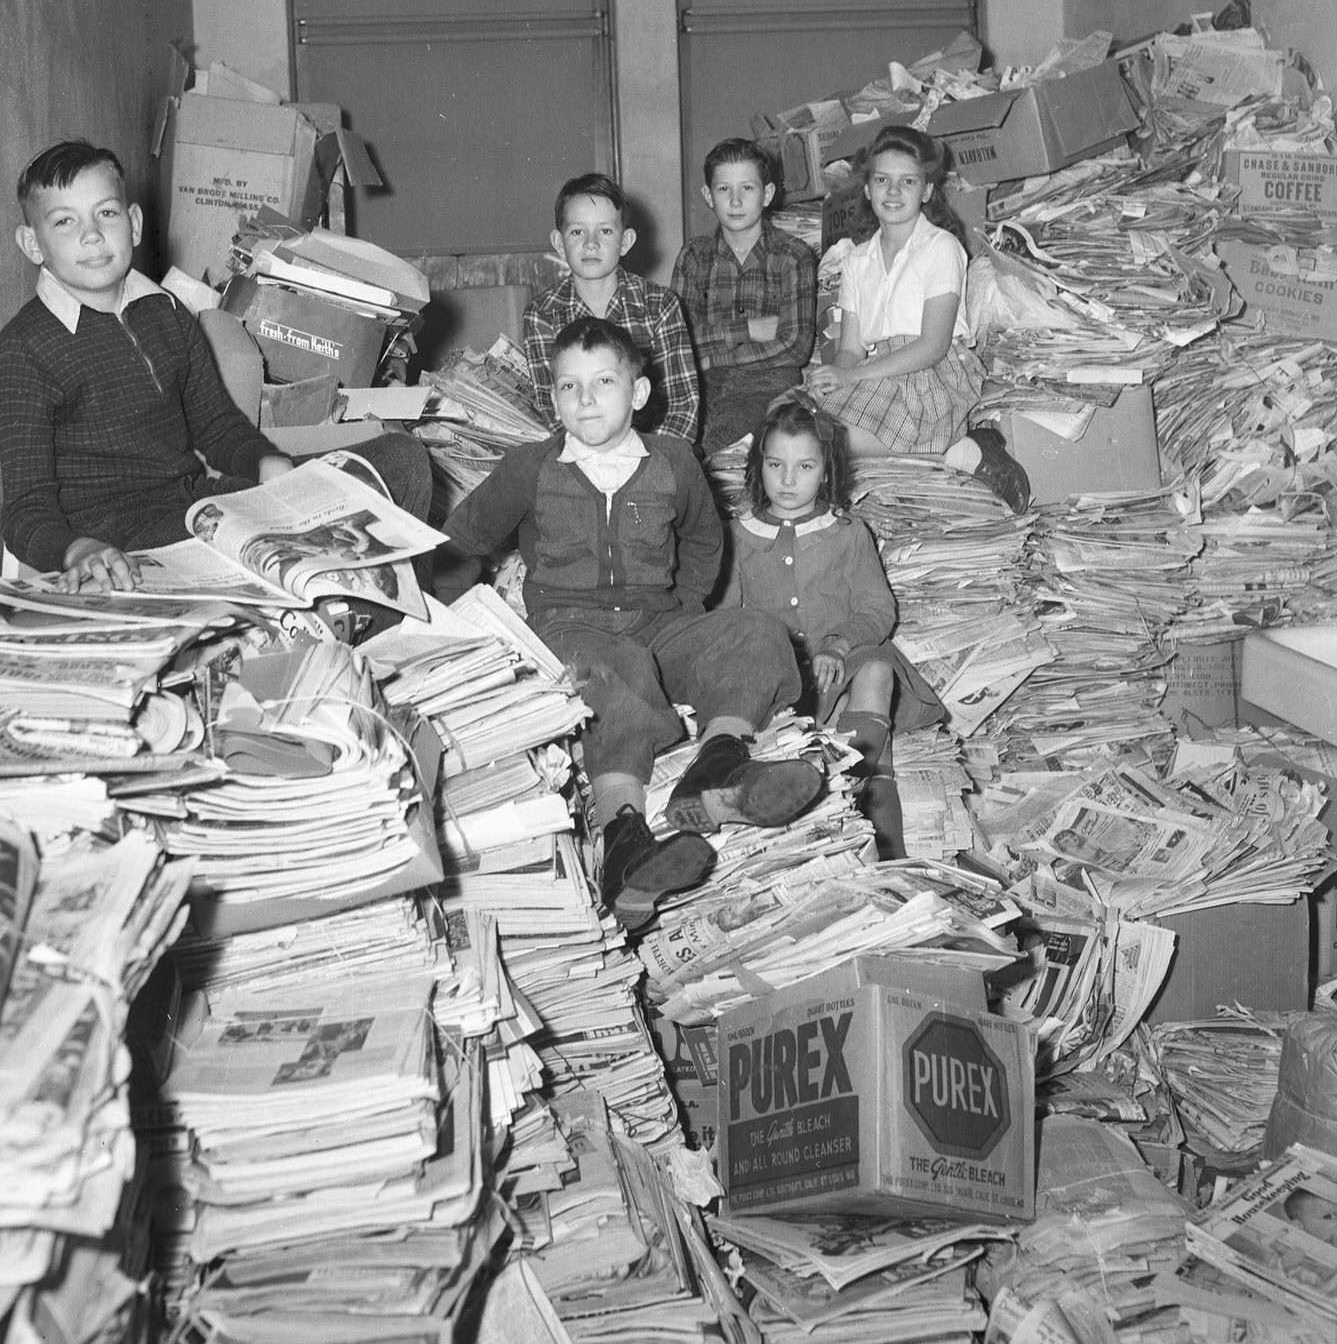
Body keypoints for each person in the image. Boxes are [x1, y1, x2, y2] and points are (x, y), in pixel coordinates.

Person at [443, 314, 822, 932]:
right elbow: (463, 541)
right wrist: (450, 625)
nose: (585, 398)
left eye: (603, 382)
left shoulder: (673, 460)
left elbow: (704, 538)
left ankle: (717, 764)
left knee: (756, 633)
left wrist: (690, 609)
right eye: (569, 386)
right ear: (553, 396)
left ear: (638, 394)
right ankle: (625, 838)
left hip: (658, 619)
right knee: (611, 672)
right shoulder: (531, 468)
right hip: (572, 627)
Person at [0, 139, 433, 592]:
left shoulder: (165, 313)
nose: (91, 234)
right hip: (121, 542)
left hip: (194, 505)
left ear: (133, 224)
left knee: (402, 459)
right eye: (65, 221)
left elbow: (218, 426)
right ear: (32, 243)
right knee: (276, 556)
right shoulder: (25, 348)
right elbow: (25, 512)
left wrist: (268, 462)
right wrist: (78, 551)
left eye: (105, 213)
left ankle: (396, 625)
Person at [718, 391, 946, 859]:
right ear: (757, 465)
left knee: (879, 669)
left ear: (827, 471)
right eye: (775, 464)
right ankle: (833, 802)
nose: (787, 479)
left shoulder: (846, 533)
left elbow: (878, 609)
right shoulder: (739, 535)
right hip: (777, 681)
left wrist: (840, 645)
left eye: (805, 467)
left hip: (844, 668)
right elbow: (725, 622)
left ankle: (858, 790)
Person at [806, 124, 1030, 513]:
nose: (893, 192)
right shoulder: (857, 260)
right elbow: (852, 350)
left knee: (824, 440)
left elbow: (932, 345)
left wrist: (853, 376)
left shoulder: (940, 247)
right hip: (877, 368)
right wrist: (830, 378)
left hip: (932, 370)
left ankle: (959, 445)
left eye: (907, 181)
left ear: (926, 191)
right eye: (882, 180)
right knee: (788, 419)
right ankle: (950, 450)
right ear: (867, 189)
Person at [522, 172, 700, 445]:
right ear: (559, 243)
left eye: (605, 231)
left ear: (625, 241)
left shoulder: (660, 304)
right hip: (581, 458)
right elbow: (553, 410)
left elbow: (683, 405)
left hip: (655, 453)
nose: (591, 243)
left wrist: (646, 465)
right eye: (577, 231)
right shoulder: (541, 314)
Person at [671, 138, 818, 455]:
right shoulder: (694, 256)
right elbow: (678, 340)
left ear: (767, 194)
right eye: (724, 189)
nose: (735, 201)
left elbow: (795, 347)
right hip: (704, 378)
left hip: (766, 380)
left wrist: (716, 353)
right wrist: (749, 329)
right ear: (708, 196)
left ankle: (699, 460)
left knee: (733, 432)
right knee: (670, 422)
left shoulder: (793, 255)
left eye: (747, 189)